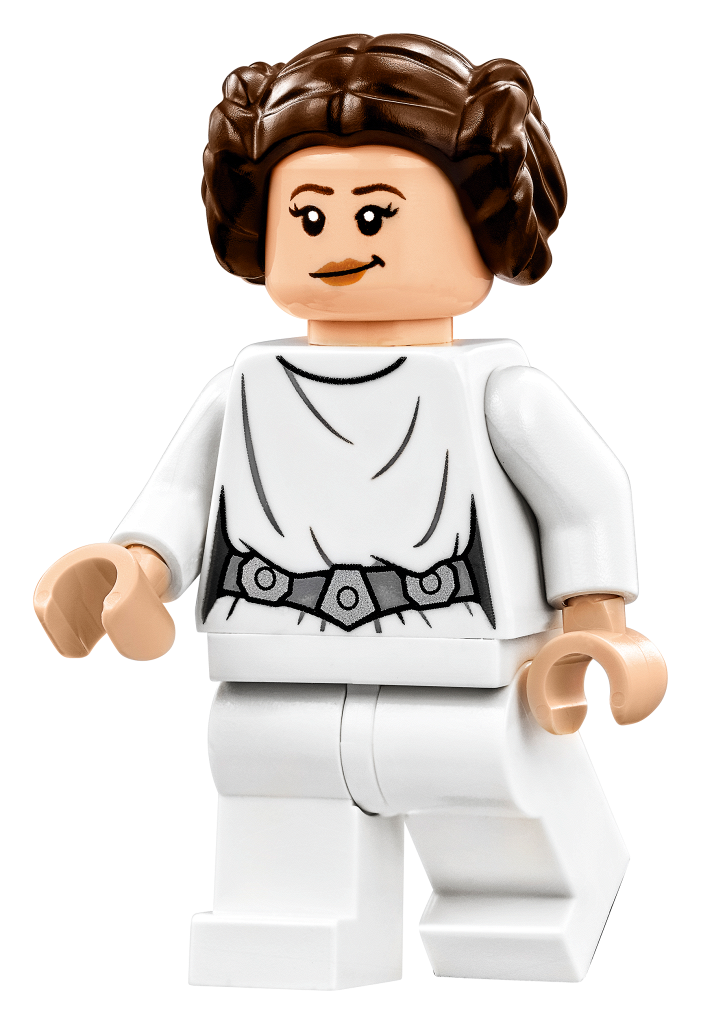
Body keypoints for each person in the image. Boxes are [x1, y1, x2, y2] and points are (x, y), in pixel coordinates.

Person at [34, 33, 666, 989]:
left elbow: (586, 495)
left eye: (375, 213)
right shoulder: (245, 387)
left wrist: (594, 619)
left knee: (491, 801)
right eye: (308, 215)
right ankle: (288, 921)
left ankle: (523, 910)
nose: (338, 243)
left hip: (460, 665)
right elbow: (180, 498)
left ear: (482, 220)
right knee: (277, 813)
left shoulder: (501, 391)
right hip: (272, 665)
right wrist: (135, 566)